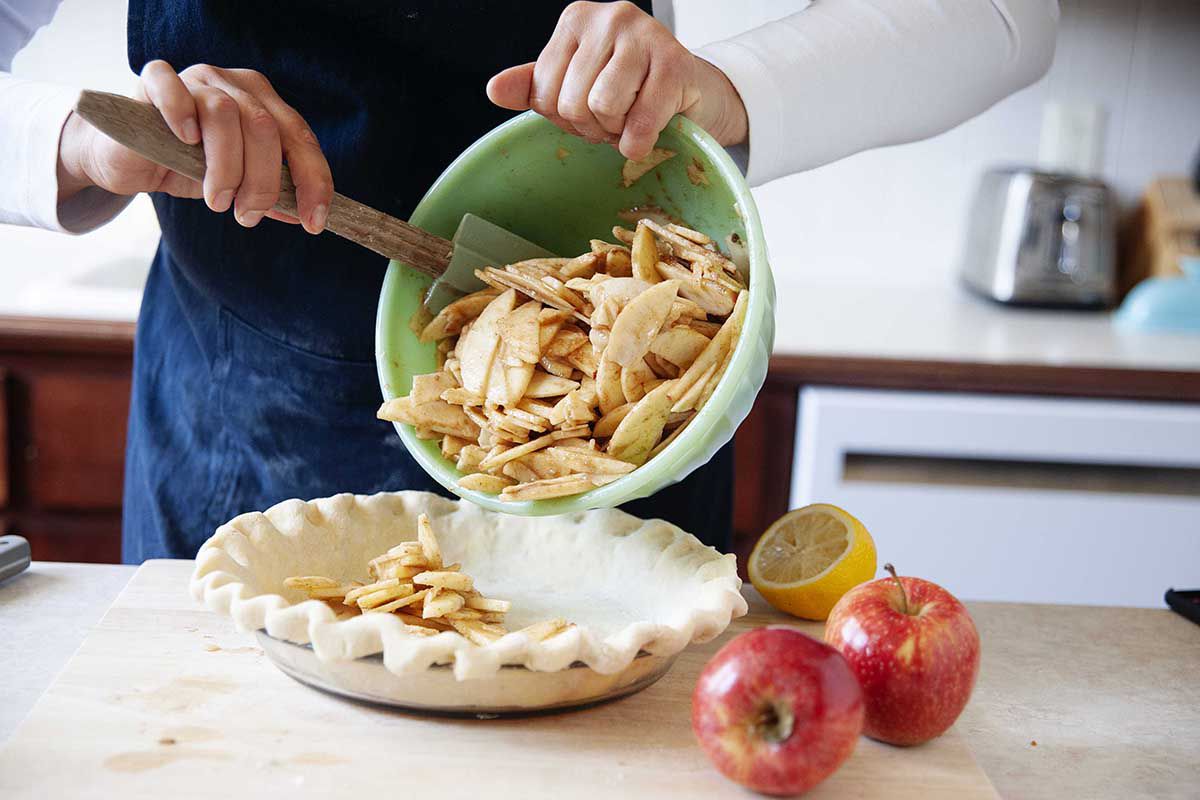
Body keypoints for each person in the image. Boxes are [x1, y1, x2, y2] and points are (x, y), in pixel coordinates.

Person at [0, 1, 1058, 560]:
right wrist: (71, 140)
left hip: (624, 447)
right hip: (238, 420)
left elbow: (1007, 14)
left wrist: (720, 87)